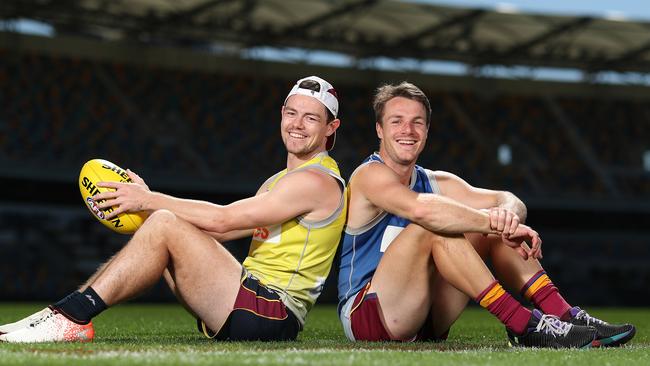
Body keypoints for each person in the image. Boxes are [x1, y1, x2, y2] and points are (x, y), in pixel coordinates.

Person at [0, 75, 347, 343]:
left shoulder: (316, 181)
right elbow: (213, 230)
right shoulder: (279, 180)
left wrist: (149, 201)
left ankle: (71, 317)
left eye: (311, 118)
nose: (297, 124)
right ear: (282, 115)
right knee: (162, 221)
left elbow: (224, 221)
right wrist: (148, 205)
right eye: (291, 113)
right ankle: (66, 313)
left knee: (163, 219)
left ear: (330, 128)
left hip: (272, 312)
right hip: (252, 303)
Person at [337, 82, 635, 348]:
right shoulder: (368, 175)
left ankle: (566, 315)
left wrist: (506, 219)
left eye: (417, 122)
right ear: (379, 129)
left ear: (427, 131)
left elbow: (509, 198)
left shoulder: (435, 179)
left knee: (488, 224)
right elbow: (422, 210)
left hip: (425, 316)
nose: (408, 130)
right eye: (396, 121)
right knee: (433, 225)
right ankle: (525, 325)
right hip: (369, 315)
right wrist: (491, 221)